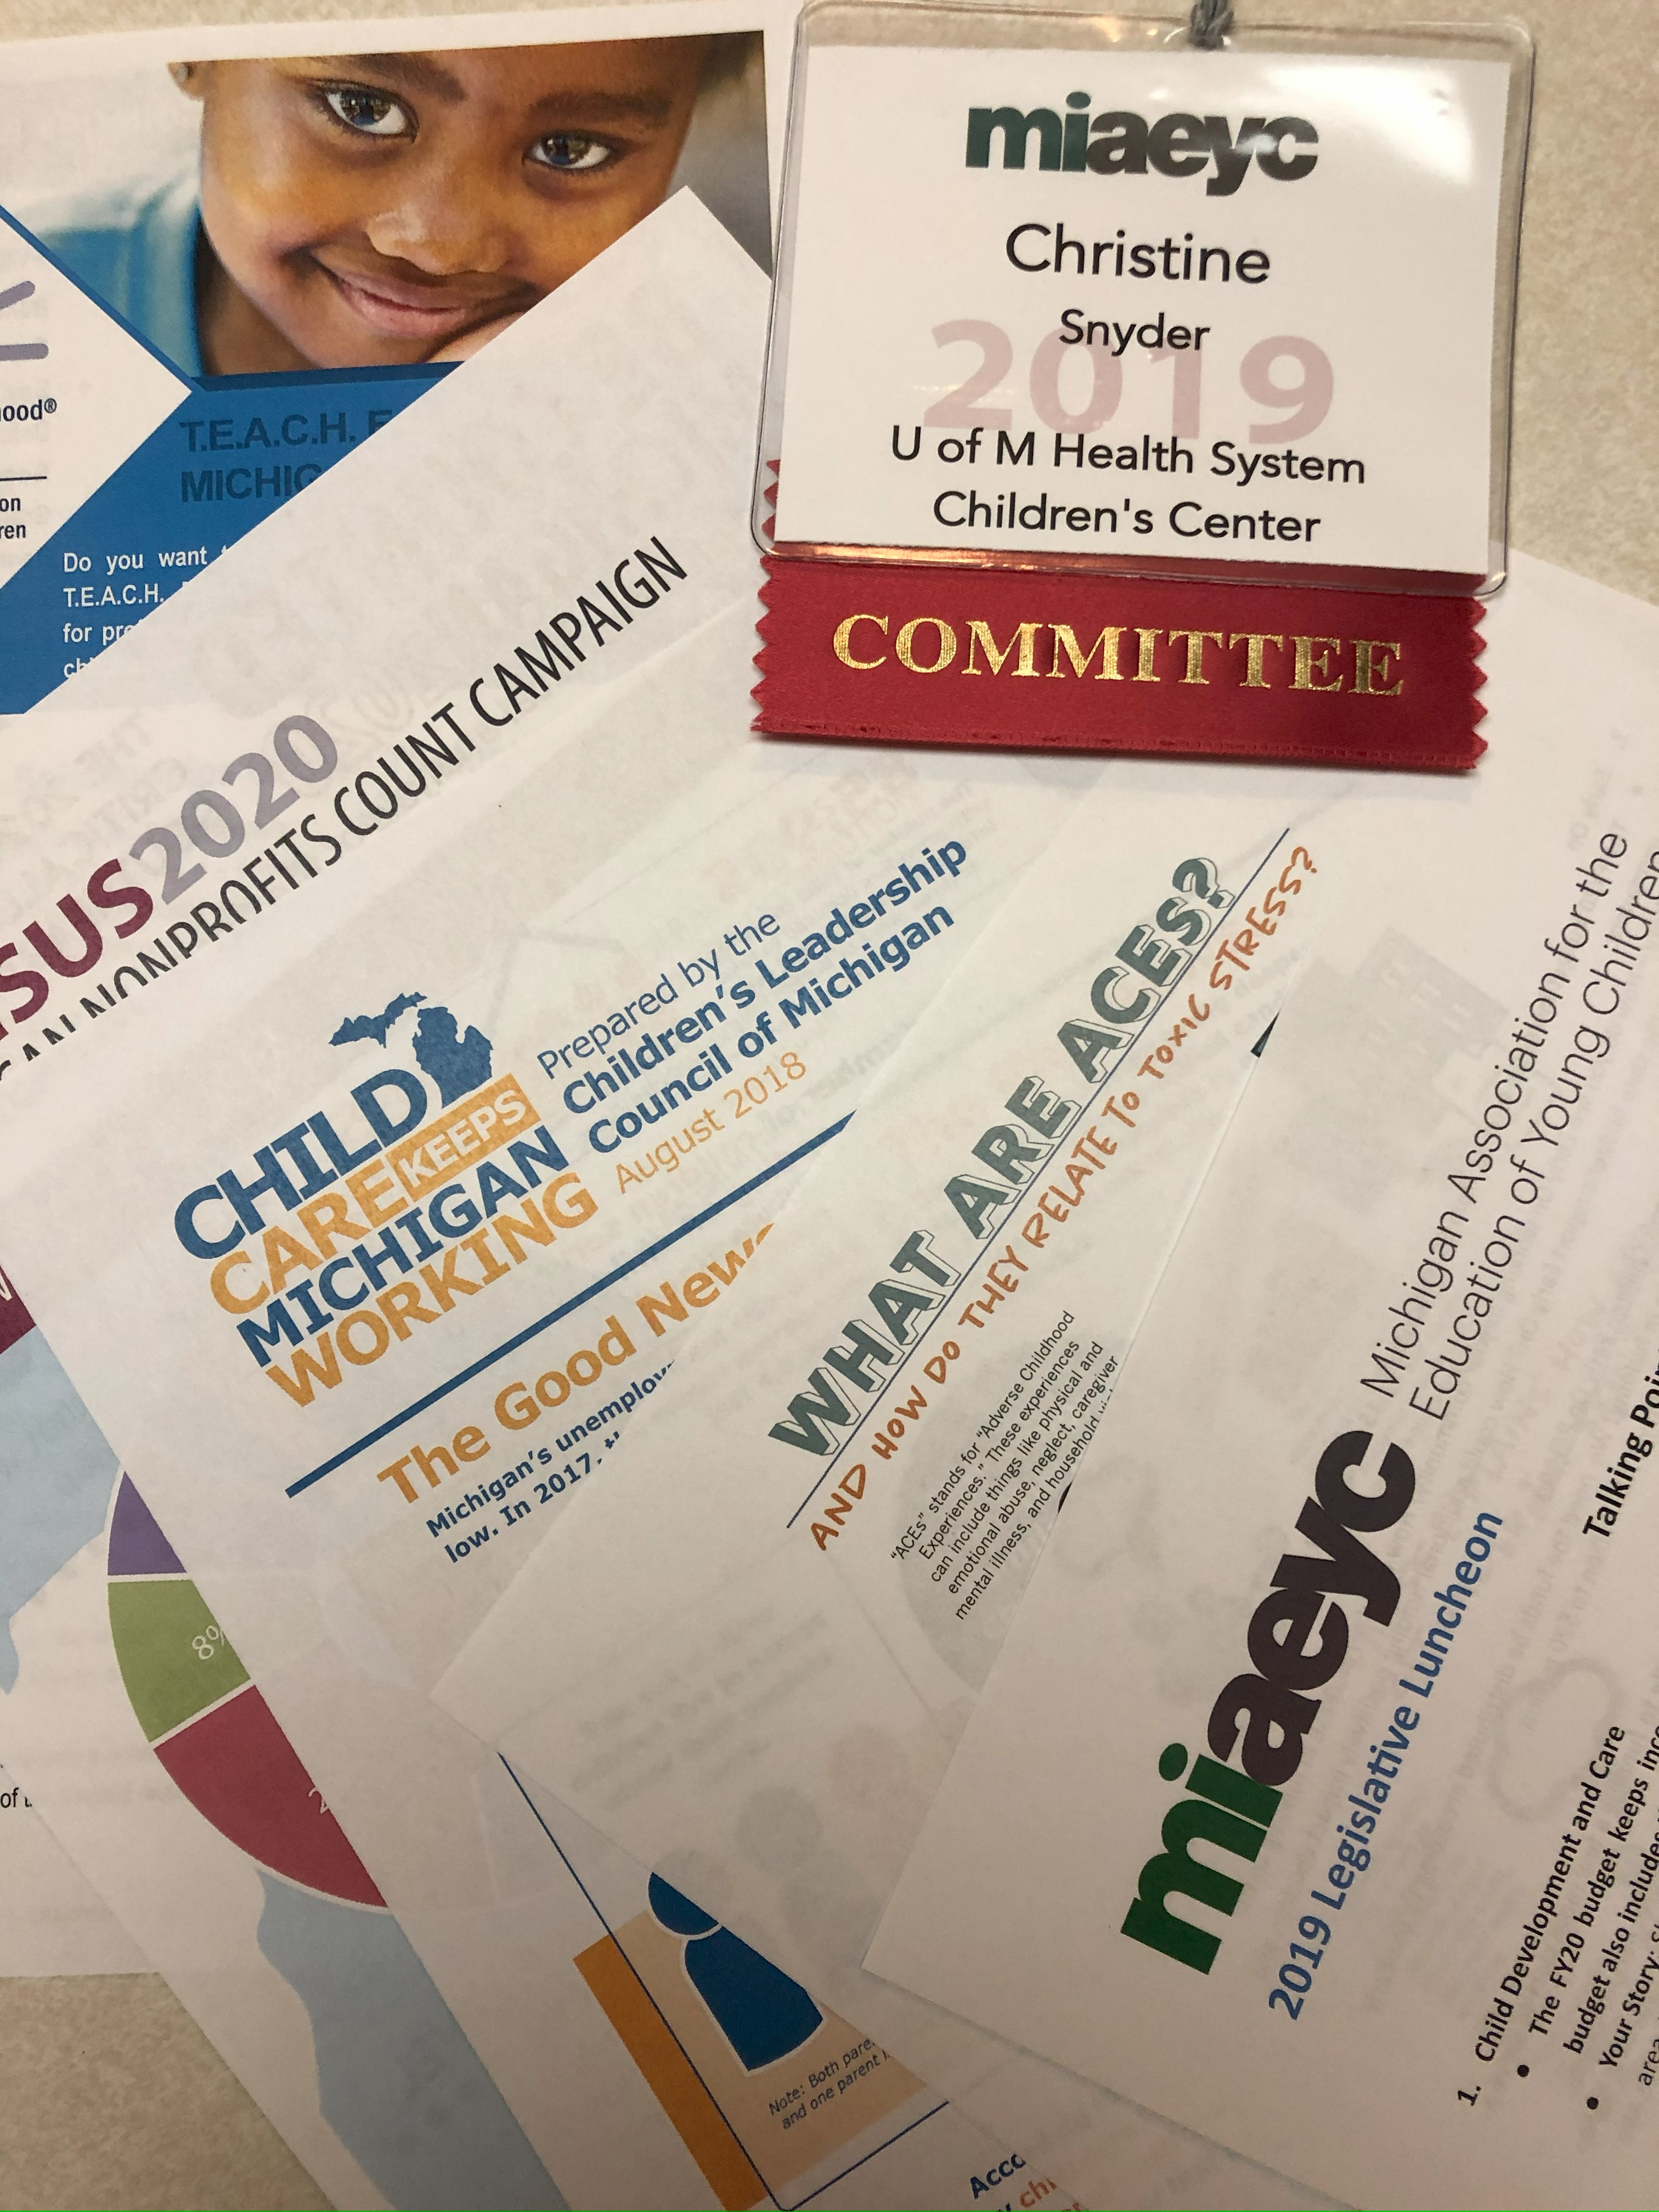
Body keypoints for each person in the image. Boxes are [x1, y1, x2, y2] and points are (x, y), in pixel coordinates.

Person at [36, 37, 720, 377]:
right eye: (363, 109)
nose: (440, 246)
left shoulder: (721, 416)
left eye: (569, 150)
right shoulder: (31, 309)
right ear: (193, 48)